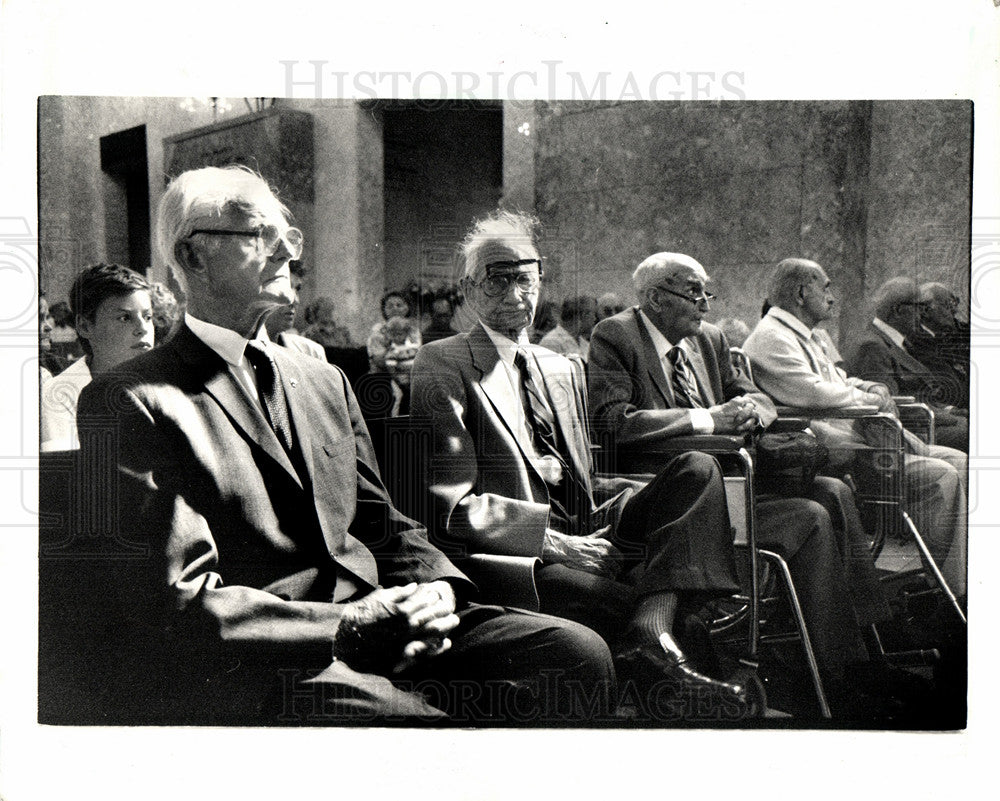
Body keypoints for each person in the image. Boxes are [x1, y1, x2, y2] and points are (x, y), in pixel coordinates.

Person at [73, 165, 613, 726]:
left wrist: (440, 588)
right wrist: (348, 626)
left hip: (389, 617)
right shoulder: (130, 398)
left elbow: (384, 523)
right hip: (283, 655)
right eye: (258, 233)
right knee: (419, 726)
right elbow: (181, 598)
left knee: (574, 655)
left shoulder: (323, 378)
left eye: (289, 234)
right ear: (193, 257)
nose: (286, 250)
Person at [411, 210, 750, 715]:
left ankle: (649, 632)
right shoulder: (442, 362)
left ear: (541, 282)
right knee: (674, 618)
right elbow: (449, 508)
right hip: (522, 557)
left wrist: (623, 499)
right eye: (496, 278)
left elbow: (582, 476)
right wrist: (555, 542)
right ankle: (655, 646)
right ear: (469, 288)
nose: (513, 291)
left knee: (698, 469)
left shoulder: (562, 366)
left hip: (590, 530)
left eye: (524, 277)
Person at [587, 252, 894, 714]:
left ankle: (869, 646)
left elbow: (748, 394)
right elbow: (613, 423)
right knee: (810, 515)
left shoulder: (707, 340)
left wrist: (756, 409)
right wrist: (706, 418)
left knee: (832, 490)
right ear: (653, 298)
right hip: (672, 492)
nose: (706, 305)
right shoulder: (616, 335)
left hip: (733, 478)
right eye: (694, 292)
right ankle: (839, 677)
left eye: (707, 292)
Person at [743, 258, 967, 599]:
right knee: (942, 476)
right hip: (839, 454)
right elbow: (810, 392)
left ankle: (951, 583)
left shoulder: (807, 334)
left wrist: (869, 388)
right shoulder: (772, 337)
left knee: (962, 463)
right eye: (826, 287)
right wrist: (873, 401)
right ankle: (945, 594)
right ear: (802, 293)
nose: (832, 297)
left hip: (862, 439)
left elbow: (837, 380)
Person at [846, 277, 967, 451]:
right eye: (919, 309)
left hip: (924, 421)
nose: (922, 315)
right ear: (898, 310)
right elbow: (887, 406)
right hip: (906, 432)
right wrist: (946, 416)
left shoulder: (895, 342)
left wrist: (947, 410)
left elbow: (914, 391)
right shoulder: (873, 346)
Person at [41, 264, 153, 452]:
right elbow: (68, 476)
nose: (143, 328)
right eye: (125, 318)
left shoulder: (169, 384)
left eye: (148, 317)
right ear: (85, 327)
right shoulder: (61, 394)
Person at [265, 263, 327, 361]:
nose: (295, 300)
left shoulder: (311, 354)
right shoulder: (240, 354)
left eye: (297, 289)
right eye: (285, 287)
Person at [367, 289, 421, 372]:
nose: (395, 309)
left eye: (399, 305)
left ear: (407, 308)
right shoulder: (378, 330)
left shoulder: (413, 329)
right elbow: (379, 361)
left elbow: (417, 357)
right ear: (384, 310)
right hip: (382, 375)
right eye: (390, 306)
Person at [539, 295, 598, 361]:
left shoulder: (585, 344)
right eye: (594, 314)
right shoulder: (551, 342)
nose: (595, 319)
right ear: (584, 314)